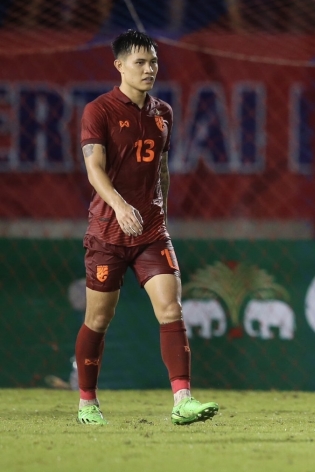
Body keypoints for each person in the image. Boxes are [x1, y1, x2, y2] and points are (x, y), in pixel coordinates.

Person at [75, 30, 219, 425]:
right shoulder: (98, 110)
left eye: (153, 62)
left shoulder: (163, 113)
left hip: (151, 231)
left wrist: (162, 212)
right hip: (107, 231)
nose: (149, 69)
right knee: (98, 319)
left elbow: (163, 170)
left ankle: (182, 401)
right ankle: (87, 400)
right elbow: (94, 169)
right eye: (140, 62)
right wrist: (120, 206)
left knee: (171, 307)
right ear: (119, 65)